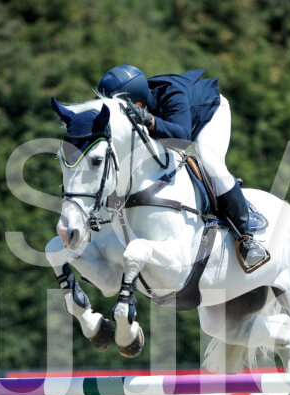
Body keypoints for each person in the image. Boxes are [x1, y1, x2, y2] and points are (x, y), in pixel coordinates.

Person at [96, 65, 268, 271]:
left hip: (209, 113)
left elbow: (182, 139)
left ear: (138, 104)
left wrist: (150, 120)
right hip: (178, 124)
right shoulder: (136, 101)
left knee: (209, 161)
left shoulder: (172, 95)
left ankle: (246, 238)